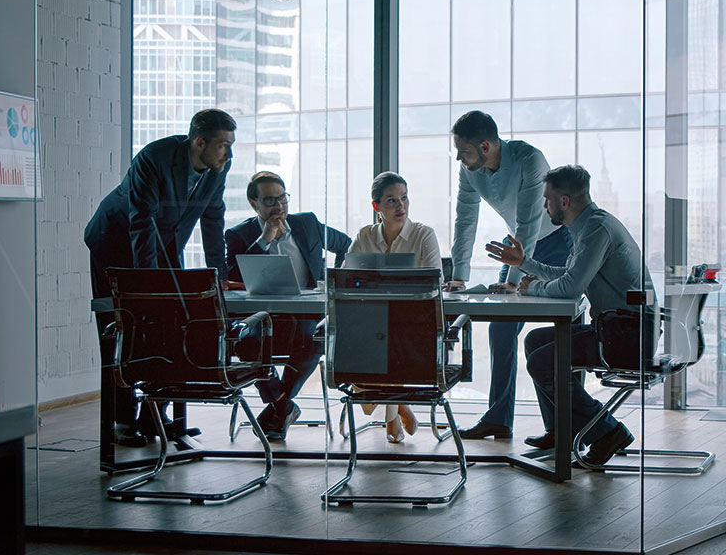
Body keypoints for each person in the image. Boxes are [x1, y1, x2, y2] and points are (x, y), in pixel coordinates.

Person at [485, 164, 656, 467]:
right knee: (536, 341)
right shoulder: (588, 226)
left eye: (547, 199)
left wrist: (533, 288)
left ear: (563, 202)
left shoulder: (595, 230)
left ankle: (607, 431)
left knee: (542, 361)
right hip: (617, 328)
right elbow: (568, 273)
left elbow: (570, 287)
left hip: (627, 335)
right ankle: (560, 430)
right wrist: (525, 262)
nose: (544, 206)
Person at [85, 108, 237, 447]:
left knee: (175, 323)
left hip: (164, 241)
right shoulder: (155, 157)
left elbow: (213, 220)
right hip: (115, 241)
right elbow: (140, 220)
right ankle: (122, 421)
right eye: (223, 145)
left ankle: (154, 414)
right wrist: (148, 284)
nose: (229, 153)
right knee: (122, 326)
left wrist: (219, 276)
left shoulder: (218, 168)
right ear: (199, 142)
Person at [447, 110, 572, 441]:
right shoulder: (469, 172)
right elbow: (464, 219)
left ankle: (560, 428)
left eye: (464, 150)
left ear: (485, 145)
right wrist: (459, 274)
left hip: (557, 242)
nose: (459, 157)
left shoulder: (530, 160)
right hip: (517, 245)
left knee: (559, 330)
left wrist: (514, 280)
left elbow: (529, 222)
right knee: (501, 328)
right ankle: (499, 418)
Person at [225, 171, 351, 441]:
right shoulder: (238, 234)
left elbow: (346, 245)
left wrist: (331, 280)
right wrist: (265, 240)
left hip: (304, 315)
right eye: (270, 200)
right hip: (262, 318)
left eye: (283, 198)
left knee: (315, 339)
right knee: (245, 342)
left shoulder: (307, 224)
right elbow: (234, 276)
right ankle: (283, 406)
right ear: (253, 203)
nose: (279, 206)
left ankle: (278, 407)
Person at [348, 171, 443, 443]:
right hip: (374, 325)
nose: (401, 206)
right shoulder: (365, 235)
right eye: (391, 201)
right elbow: (345, 277)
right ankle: (399, 406)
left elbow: (433, 283)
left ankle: (392, 415)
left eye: (404, 198)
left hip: (413, 326)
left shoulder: (423, 234)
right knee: (377, 336)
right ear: (376, 207)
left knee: (386, 339)